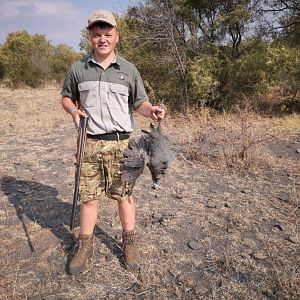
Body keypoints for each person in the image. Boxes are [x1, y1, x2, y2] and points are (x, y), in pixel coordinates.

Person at [61, 9, 165, 275]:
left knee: (124, 195)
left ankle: (129, 241)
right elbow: (66, 98)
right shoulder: (77, 69)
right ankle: (85, 245)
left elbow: (140, 103)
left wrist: (151, 110)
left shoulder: (129, 70)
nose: (102, 39)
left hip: (122, 144)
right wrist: (74, 112)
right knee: (88, 198)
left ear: (117, 37)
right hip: (90, 142)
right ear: (90, 37)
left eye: (108, 34)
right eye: (97, 35)